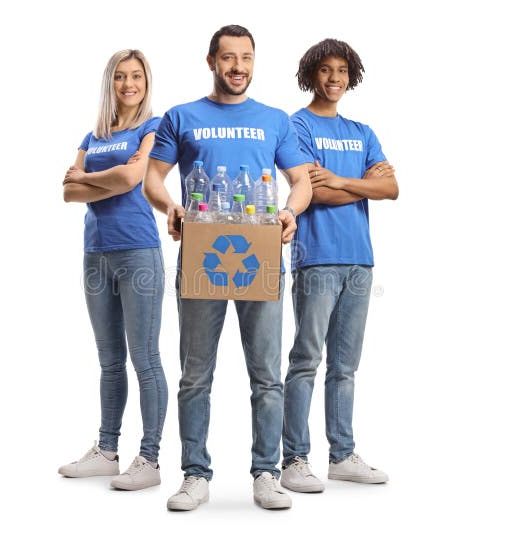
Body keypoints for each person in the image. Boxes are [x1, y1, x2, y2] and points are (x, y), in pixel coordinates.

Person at [142, 25, 312, 511]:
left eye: (247, 58)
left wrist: (290, 212)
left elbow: (300, 181)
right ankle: (195, 474)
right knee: (195, 374)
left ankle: (266, 472)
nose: (238, 67)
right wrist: (171, 208)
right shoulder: (182, 116)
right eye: (229, 58)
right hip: (203, 255)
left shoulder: (274, 120)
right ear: (211, 61)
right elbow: (154, 179)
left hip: (260, 254)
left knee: (267, 374)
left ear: (254, 62)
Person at [280, 38, 399, 493]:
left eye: (342, 71)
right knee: (307, 359)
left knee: (345, 366)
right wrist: (358, 184)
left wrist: (341, 179)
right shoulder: (297, 126)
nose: (334, 79)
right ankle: (293, 458)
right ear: (311, 73)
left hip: (359, 260)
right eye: (325, 70)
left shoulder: (362, 131)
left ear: (352, 76)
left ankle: (343, 454)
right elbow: (313, 191)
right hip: (316, 257)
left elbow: (391, 188)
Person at [58, 49, 167, 492]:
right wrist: (113, 176)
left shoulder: (152, 128)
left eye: (136, 76)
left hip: (138, 251)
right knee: (109, 361)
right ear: (110, 82)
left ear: (146, 82)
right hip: (95, 254)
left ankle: (151, 458)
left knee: (144, 358)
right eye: (120, 76)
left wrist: (93, 180)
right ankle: (107, 451)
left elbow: (131, 180)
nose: (128, 84)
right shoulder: (92, 135)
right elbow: (67, 193)